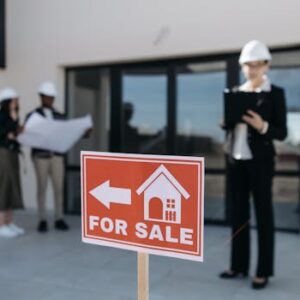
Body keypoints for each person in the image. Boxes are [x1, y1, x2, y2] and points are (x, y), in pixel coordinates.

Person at [219, 40, 287, 289]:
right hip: (236, 162)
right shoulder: (236, 92)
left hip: (260, 163)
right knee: (238, 215)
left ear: (266, 66)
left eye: (257, 65)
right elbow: (232, 127)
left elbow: (282, 132)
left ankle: (263, 271)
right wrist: (225, 123)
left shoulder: (275, 94)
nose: (252, 70)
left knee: (263, 215)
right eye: (248, 65)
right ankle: (238, 266)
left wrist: (262, 126)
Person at [26, 81, 69, 233]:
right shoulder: (33, 116)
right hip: (41, 157)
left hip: (57, 156)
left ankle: (59, 218)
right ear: (41, 97)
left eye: (52, 97)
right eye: (47, 97)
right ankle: (42, 219)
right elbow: (28, 134)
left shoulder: (60, 115)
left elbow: (66, 133)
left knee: (59, 188)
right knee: (42, 188)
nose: (50, 100)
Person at [0, 88, 25, 237]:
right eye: (13, 99)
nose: (16, 102)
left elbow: (13, 133)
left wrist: (17, 129)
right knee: (3, 187)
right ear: (7, 101)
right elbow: (4, 133)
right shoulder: (1, 115)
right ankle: (1, 224)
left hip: (13, 153)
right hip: (3, 153)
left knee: (12, 186)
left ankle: (9, 222)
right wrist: (9, 133)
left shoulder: (14, 116)